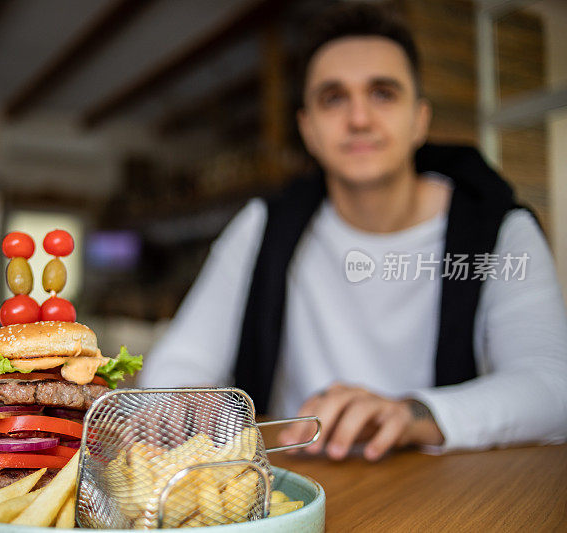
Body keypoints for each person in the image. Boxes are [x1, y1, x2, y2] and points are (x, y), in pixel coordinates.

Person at [138, 2, 567, 461]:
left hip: (450, 501)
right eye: (333, 97)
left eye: (383, 93)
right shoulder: (263, 225)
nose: (359, 118)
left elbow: (553, 388)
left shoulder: (498, 229)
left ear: (420, 119)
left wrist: (413, 414)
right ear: (308, 129)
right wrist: (190, 397)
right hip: (297, 486)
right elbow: (176, 362)